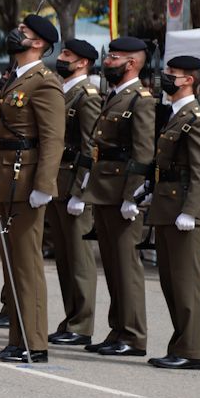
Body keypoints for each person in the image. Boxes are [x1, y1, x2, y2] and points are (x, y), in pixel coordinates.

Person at [0, 15, 64, 363]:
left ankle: (34, 343)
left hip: (26, 180)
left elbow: (52, 138)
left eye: (25, 32)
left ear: (38, 43)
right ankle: (18, 339)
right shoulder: (15, 78)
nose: (16, 34)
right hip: (7, 178)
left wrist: (44, 185)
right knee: (13, 264)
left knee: (27, 264)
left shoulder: (44, 82)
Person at [74, 36, 155, 357]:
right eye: (109, 57)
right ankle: (117, 328)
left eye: (114, 58)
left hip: (122, 193)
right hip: (104, 191)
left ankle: (134, 335)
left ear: (132, 63)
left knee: (126, 267)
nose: (107, 62)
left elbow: (143, 152)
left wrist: (132, 196)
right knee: (111, 264)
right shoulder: (115, 96)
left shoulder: (141, 99)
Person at [147, 55, 200, 370]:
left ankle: (192, 351)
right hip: (167, 207)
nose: (166, 77)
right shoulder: (176, 115)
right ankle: (180, 344)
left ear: (188, 79)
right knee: (171, 282)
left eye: (171, 73)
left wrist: (191, 210)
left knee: (186, 282)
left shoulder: (197, 118)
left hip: (184, 212)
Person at [47, 39, 102, 347]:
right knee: (65, 258)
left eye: (68, 55)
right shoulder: (62, 90)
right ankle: (70, 319)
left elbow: (91, 147)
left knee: (79, 259)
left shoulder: (87, 96)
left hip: (73, 186)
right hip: (56, 183)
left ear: (83, 63)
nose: (62, 58)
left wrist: (82, 190)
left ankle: (82, 324)